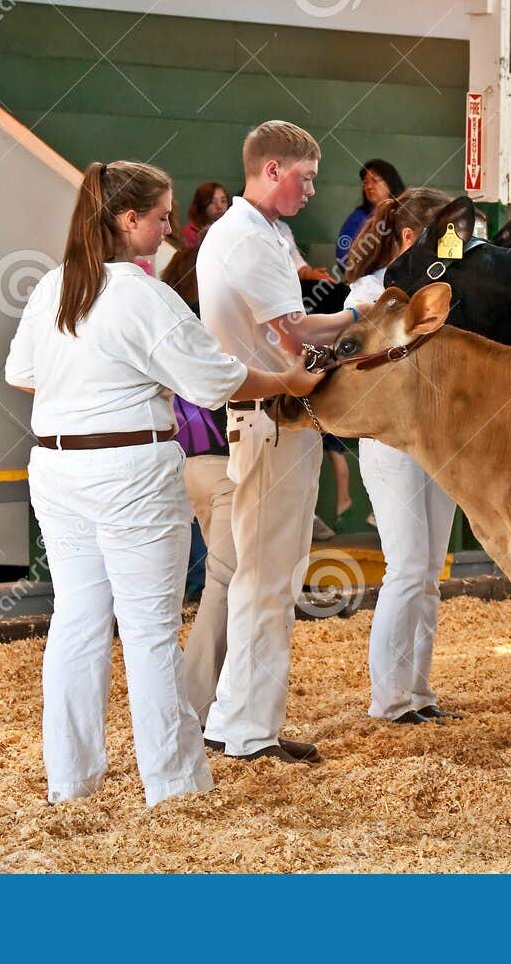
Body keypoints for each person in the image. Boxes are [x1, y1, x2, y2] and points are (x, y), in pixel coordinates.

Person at [4, 159, 321, 807]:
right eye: (160, 215)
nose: (169, 226)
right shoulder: (140, 293)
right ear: (129, 220)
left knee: (77, 621)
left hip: (57, 468)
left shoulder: (55, 285)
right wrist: (288, 381)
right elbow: (217, 381)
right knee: (148, 628)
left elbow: (22, 374)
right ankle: (172, 784)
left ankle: (71, 781)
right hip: (129, 469)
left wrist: (94, 387)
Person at [198, 120, 372, 764]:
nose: (310, 190)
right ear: (272, 169)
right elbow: (297, 335)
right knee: (269, 579)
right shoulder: (245, 237)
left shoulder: (269, 231)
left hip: (275, 414)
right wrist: (362, 317)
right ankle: (247, 733)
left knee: (268, 574)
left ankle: (232, 719)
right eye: (305, 178)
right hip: (269, 414)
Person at [341, 187, 462, 724]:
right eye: (446, 236)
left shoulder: (446, 290)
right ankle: (388, 700)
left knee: (430, 570)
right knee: (407, 567)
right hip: (391, 441)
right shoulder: (369, 293)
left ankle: (419, 691)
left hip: (437, 438)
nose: (454, 247)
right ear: (412, 238)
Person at [159, 238, 238, 725]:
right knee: (226, 583)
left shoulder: (168, 325)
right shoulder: (213, 328)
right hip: (220, 462)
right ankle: (195, 701)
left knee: (218, 580)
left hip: (181, 463)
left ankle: (211, 693)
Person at [334, 158, 404, 267]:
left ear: (390, 182)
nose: (369, 186)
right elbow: (343, 257)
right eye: (366, 182)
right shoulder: (358, 218)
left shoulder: (406, 213)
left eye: (375, 181)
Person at [181, 182, 230, 250]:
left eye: (223, 201)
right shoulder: (190, 233)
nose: (219, 206)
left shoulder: (231, 229)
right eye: (212, 202)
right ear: (201, 205)